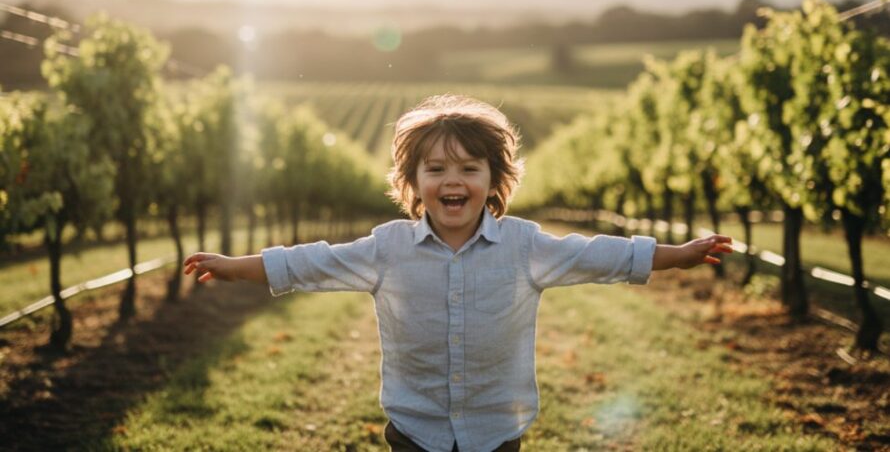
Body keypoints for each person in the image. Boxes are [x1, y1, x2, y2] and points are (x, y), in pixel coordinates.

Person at [183, 94, 733, 452]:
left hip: (498, 430)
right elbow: (310, 263)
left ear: (494, 180)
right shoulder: (387, 248)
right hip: (414, 430)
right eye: (437, 168)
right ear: (413, 181)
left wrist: (676, 254)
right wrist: (236, 268)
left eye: (470, 168)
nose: (454, 179)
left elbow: (598, 255)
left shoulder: (523, 245)